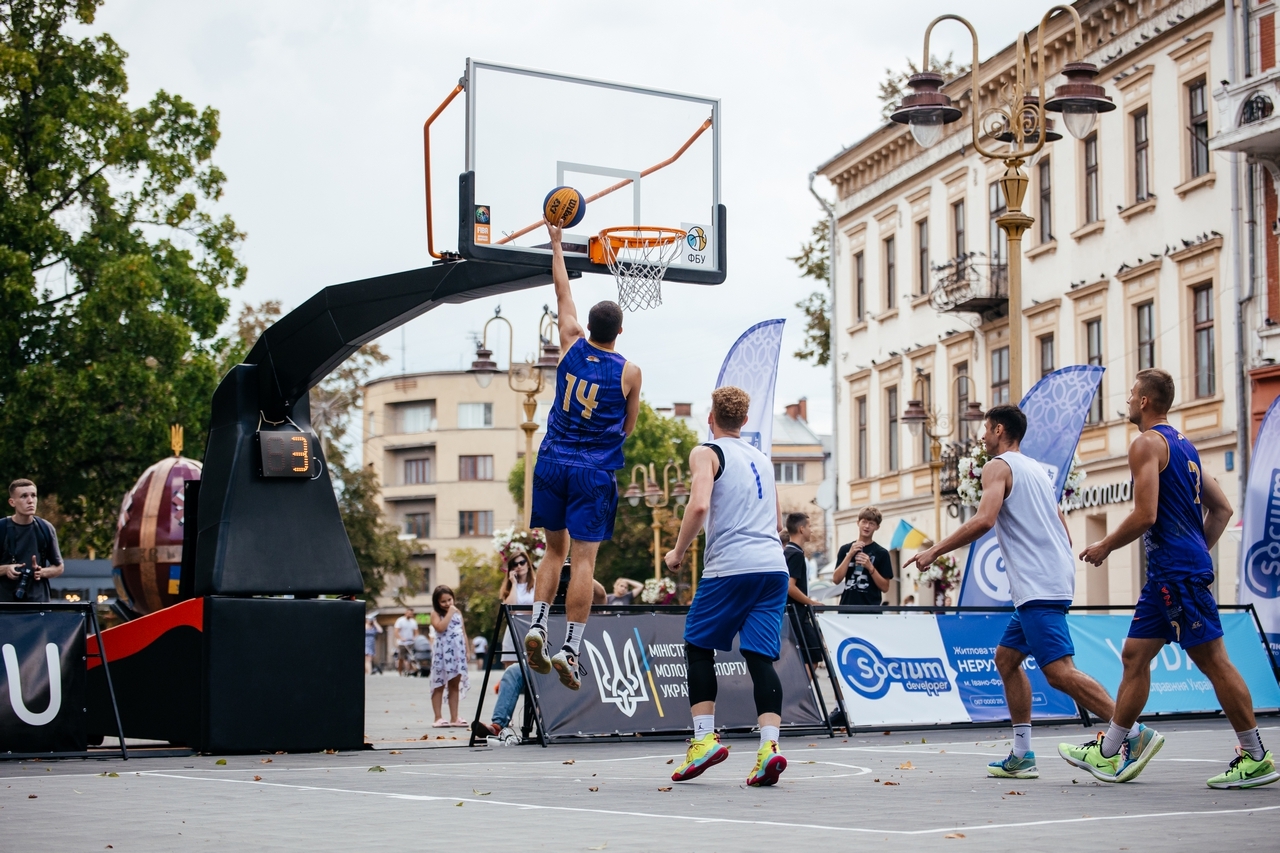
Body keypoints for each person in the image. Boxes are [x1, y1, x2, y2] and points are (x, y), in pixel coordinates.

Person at [1063, 369, 1277, 789]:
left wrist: (1105, 545)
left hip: (1176, 573)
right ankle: (1112, 752)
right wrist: (1199, 550)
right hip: (1170, 572)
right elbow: (1222, 510)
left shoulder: (1145, 443)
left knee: (1214, 662)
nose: (1126, 401)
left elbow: (1146, 514)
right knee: (1133, 656)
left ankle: (1255, 757)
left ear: (1144, 401)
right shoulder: (1186, 447)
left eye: (1130, 395)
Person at [907, 404, 1144, 781]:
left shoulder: (997, 466)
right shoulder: (1035, 469)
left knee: (1059, 673)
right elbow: (1062, 528)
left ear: (999, 430)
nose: (981, 436)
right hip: (1047, 579)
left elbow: (985, 519)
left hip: (1038, 584)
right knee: (1006, 660)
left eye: (985, 429)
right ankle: (1022, 754)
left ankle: (1131, 733)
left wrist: (934, 551)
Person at [525, 219, 642, 691]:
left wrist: (556, 242)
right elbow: (629, 426)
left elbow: (562, 290)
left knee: (554, 551)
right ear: (620, 330)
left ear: (588, 327)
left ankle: (537, 625)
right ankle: (569, 648)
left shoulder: (570, 344)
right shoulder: (629, 371)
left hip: (552, 460)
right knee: (584, 560)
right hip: (593, 471)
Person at [663, 386, 790, 788]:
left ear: (710, 416)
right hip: (774, 567)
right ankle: (769, 748)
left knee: (698, 646)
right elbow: (778, 524)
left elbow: (699, 505)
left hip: (732, 566)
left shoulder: (706, 452)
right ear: (745, 421)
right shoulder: (763, 460)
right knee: (759, 658)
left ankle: (703, 740)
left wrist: (678, 552)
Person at [472, 557, 605, 746]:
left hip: (575, 669)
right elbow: (513, 606)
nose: (563, 582)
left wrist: (579, 573)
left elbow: (601, 596)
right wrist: (554, 571)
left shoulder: (583, 602)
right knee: (512, 672)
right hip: (544, 664)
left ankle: (557, 723)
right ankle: (497, 725)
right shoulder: (543, 603)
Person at [0, 479, 64, 602]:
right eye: (24, 496)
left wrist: (42, 572)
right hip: (5, 606)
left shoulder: (45, 528)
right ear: (12, 502)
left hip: (38, 604)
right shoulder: (2, 528)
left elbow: (59, 567)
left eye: (33, 495)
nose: (30, 501)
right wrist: (6, 569)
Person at [783, 512, 824, 670]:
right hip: (797, 616)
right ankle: (798, 695)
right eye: (809, 526)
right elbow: (789, 586)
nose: (811, 530)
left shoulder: (786, 552)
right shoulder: (796, 554)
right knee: (811, 658)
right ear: (801, 529)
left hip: (791, 614)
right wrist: (812, 602)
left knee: (803, 659)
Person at [833, 507, 892, 606]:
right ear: (858, 523)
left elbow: (885, 587)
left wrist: (870, 567)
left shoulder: (882, 553)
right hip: (847, 607)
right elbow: (836, 580)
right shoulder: (845, 549)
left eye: (871, 523)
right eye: (864, 522)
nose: (867, 526)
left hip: (871, 609)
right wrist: (850, 555)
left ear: (877, 527)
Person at [428, 585, 469, 727]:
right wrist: (449, 613)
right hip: (442, 654)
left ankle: (454, 717)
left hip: (457, 654)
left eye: (449, 600)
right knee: (439, 684)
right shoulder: (435, 613)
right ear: (437, 602)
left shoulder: (458, 613)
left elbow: (463, 632)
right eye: (443, 601)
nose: (447, 604)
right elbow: (440, 627)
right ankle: (438, 717)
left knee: (454, 684)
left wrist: (467, 651)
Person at [392, 608, 418, 676]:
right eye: (409, 613)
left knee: (411, 657)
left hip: (410, 642)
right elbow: (396, 631)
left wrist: (414, 638)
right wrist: (401, 638)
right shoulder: (400, 621)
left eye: (411, 614)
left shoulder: (413, 622)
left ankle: (410, 671)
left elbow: (416, 632)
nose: (410, 615)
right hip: (402, 643)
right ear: (406, 613)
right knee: (401, 658)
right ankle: (400, 672)